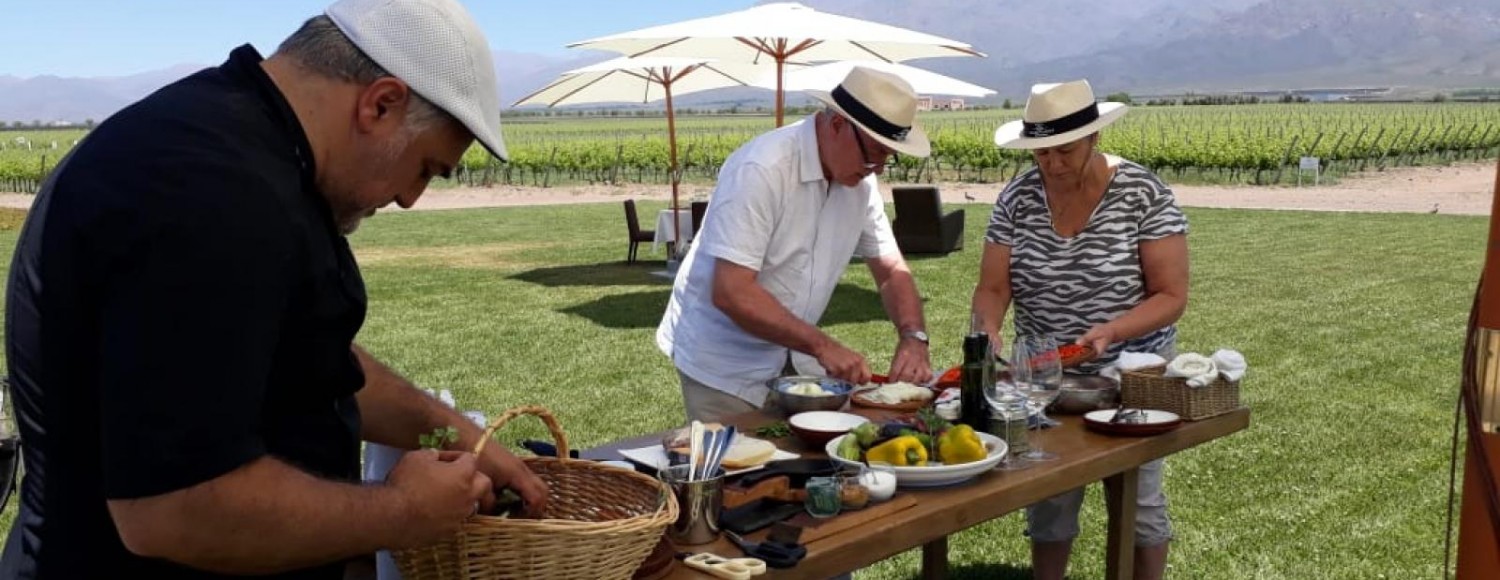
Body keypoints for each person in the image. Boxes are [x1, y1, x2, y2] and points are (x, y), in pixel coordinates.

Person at [0, 1, 549, 578]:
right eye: (426, 168)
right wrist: (402, 511)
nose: (410, 198)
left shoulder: (245, 146)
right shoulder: (205, 192)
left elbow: (296, 361)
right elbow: (172, 509)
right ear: (381, 104)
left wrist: (467, 437)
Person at [970, 79, 1190, 580]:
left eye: (1064, 150)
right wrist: (988, 332)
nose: (1051, 164)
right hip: (1047, 375)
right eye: (1040, 152)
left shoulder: (1142, 192)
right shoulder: (1017, 199)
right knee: (1049, 488)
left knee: (1139, 498)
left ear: (1093, 138)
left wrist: (1113, 330)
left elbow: (1171, 295)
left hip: (1132, 375)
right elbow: (993, 288)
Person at [656, 67, 936, 423]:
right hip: (724, 366)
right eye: (874, 153)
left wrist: (914, 336)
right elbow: (732, 291)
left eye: (888, 157)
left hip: (794, 360)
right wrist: (822, 345)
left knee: (799, 465)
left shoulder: (861, 187)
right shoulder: (762, 169)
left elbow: (891, 271)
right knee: (738, 470)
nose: (878, 169)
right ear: (837, 126)